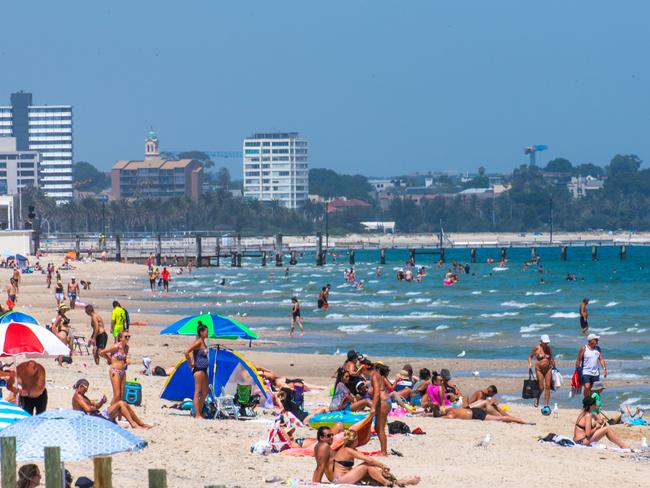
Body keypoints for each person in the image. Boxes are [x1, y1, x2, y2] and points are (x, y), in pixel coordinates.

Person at [331, 430, 420, 486]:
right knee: (367, 466)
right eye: (357, 439)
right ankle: (387, 483)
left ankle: (399, 482)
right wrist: (382, 465)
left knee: (376, 473)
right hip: (340, 480)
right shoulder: (348, 450)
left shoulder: (349, 449)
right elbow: (368, 460)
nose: (358, 441)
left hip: (346, 476)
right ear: (353, 441)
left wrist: (380, 468)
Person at [72, 378, 150, 428]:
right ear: (81, 386)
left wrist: (102, 402)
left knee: (123, 404)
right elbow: (88, 409)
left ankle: (140, 424)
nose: (86, 391)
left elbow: (95, 406)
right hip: (94, 419)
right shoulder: (77, 397)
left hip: (98, 415)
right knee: (120, 404)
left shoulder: (83, 396)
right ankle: (133, 424)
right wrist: (93, 408)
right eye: (85, 389)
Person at [184, 323, 210, 419]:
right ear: (201, 332)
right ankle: (198, 414)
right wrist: (190, 363)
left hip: (204, 369)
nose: (208, 333)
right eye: (206, 331)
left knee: (206, 391)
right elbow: (186, 352)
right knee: (198, 391)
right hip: (198, 369)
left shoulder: (203, 342)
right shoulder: (198, 342)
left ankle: (199, 409)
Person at [100, 330, 130, 406]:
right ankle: (109, 412)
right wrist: (109, 359)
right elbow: (102, 352)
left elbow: (123, 359)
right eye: (125, 337)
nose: (127, 338)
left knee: (122, 395)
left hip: (123, 371)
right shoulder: (116, 346)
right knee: (117, 395)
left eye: (129, 336)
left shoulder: (126, 347)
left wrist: (126, 362)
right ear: (120, 338)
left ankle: (119, 416)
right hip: (115, 371)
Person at [430, 403, 530, 424]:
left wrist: (434, 416)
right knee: (500, 417)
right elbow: (439, 408)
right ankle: (518, 419)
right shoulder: (449, 409)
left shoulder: (450, 415)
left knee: (501, 419)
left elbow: (441, 418)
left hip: (477, 415)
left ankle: (522, 421)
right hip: (474, 411)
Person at [528, 334, 555, 408]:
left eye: (547, 342)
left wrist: (555, 368)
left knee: (548, 386)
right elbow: (530, 357)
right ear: (541, 341)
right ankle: (537, 397)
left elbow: (552, 358)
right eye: (545, 342)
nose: (546, 344)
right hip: (539, 369)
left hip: (548, 368)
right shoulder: (537, 348)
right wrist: (530, 364)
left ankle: (546, 404)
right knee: (541, 387)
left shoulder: (549, 348)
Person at [576, 333, 607, 398]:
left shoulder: (598, 349)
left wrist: (604, 369)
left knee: (595, 389)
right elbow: (578, 360)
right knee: (587, 387)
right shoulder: (584, 348)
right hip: (586, 372)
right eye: (596, 340)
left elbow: (601, 359)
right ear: (591, 341)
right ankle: (586, 402)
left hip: (595, 373)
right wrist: (577, 372)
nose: (597, 341)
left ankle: (592, 404)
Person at [371, 361, 391, 456]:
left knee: (380, 428)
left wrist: (373, 407)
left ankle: (384, 452)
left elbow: (377, 393)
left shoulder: (375, 375)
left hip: (383, 402)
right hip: (385, 401)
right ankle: (383, 450)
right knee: (377, 427)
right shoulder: (379, 376)